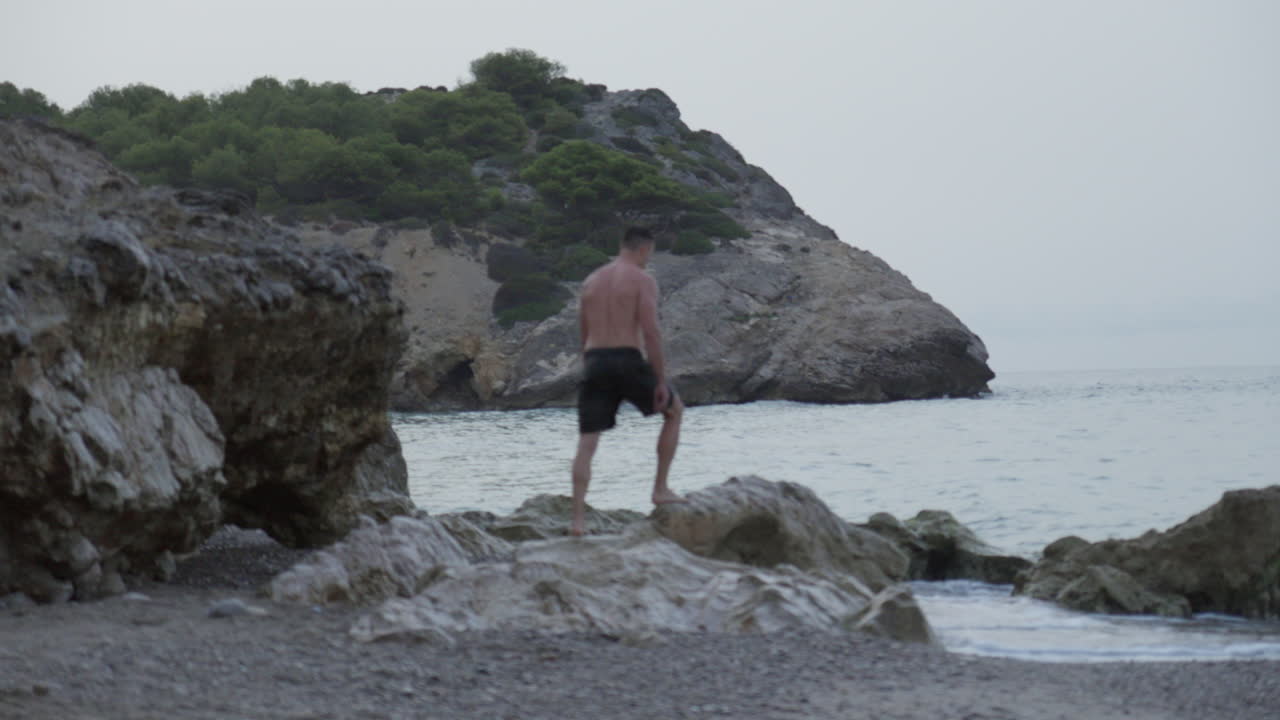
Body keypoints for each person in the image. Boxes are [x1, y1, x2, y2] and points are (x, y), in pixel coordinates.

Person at [570, 226, 685, 536]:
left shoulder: (591, 282)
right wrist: (660, 380)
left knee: (587, 441)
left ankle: (577, 521)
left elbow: (584, 332)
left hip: (594, 360)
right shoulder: (641, 279)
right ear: (644, 250)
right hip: (626, 358)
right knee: (674, 411)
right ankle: (660, 489)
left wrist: (590, 365)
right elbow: (650, 331)